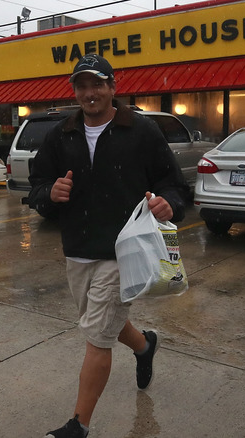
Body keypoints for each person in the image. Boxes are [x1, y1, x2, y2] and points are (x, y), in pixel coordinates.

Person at [27, 53, 190, 438]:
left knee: (96, 335)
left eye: (97, 84)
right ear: (76, 91)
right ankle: (144, 345)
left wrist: (170, 203)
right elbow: (36, 187)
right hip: (78, 249)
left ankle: (78, 426)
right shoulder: (61, 135)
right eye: (82, 86)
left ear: (113, 88)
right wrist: (50, 192)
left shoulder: (141, 131)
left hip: (125, 253)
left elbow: (174, 184)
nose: (90, 92)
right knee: (103, 323)